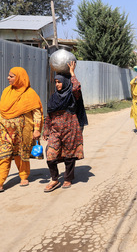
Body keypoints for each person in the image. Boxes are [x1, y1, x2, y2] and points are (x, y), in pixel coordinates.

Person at [0, 67, 43, 193]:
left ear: (19, 78)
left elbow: (37, 113)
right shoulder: (6, 91)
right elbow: (0, 108)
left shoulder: (30, 94)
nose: (8, 78)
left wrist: (37, 129)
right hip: (4, 129)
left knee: (21, 154)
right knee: (2, 155)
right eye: (9, 76)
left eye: (11, 76)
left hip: (22, 131)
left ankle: (24, 176)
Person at [43, 61, 87, 192]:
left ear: (66, 82)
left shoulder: (72, 96)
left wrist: (72, 73)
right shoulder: (53, 98)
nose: (57, 85)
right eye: (55, 82)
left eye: (59, 82)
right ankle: (55, 179)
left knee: (69, 155)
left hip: (70, 129)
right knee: (50, 154)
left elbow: (76, 88)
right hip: (55, 130)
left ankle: (68, 178)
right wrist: (46, 130)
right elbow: (49, 115)